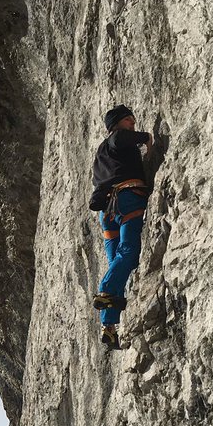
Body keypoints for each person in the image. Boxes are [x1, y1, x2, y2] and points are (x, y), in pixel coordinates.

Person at [88, 104, 154, 349]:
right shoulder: (116, 139)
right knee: (129, 253)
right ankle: (105, 291)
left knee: (117, 262)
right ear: (116, 124)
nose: (133, 123)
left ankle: (109, 326)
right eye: (128, 120)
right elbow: (121, 138)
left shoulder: (100, 154)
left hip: (107, 212)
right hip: (127, 200)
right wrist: (147, 138)